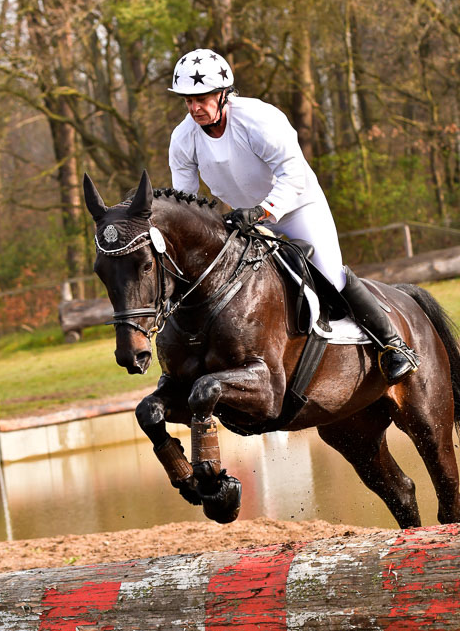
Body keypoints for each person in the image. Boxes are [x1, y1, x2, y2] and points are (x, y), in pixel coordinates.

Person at [168, 48, 418, 384]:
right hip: (244, 221)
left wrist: (263, 210)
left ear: (223, 94)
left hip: (297, 205)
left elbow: (292, 172)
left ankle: (393, 345)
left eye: (202, 98)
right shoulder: (183, 139)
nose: (195, 108)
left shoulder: (258, 119)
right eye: (188, 101)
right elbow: (187, 204)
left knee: (330, 276)